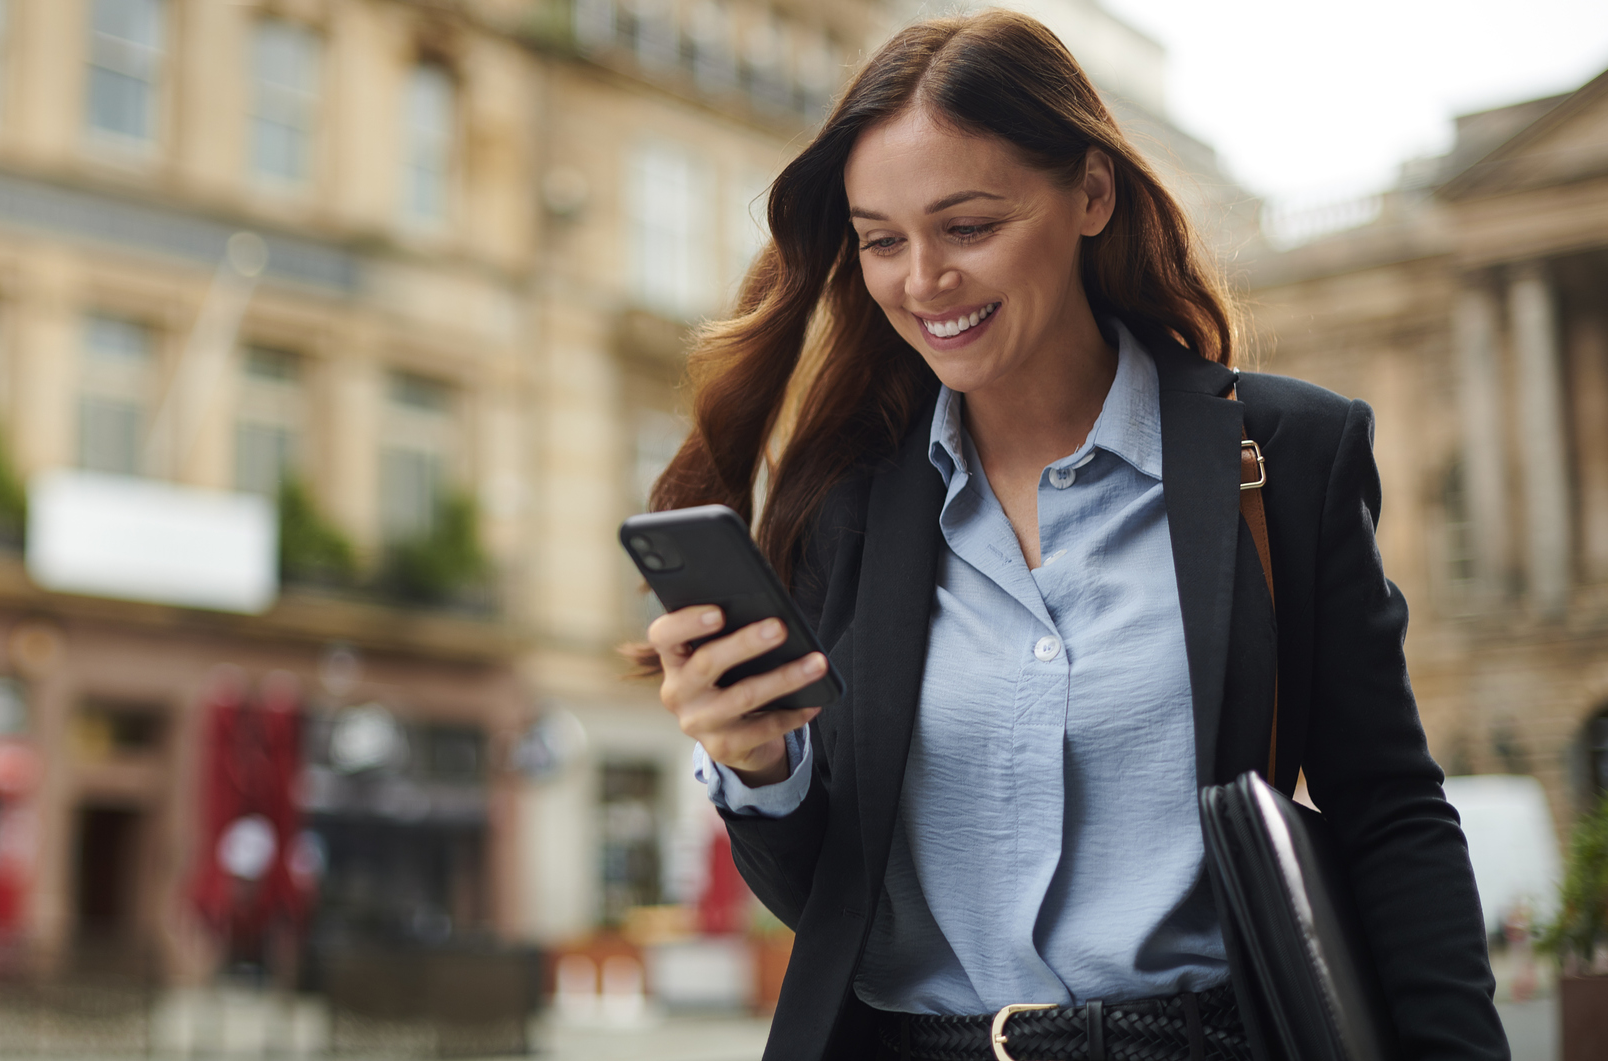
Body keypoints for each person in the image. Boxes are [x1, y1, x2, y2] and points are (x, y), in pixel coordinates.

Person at [638, 11, 1506, 1061]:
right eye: (880, 241)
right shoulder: (845, 497)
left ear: (1090, 194)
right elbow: (826, 900)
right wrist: (754, 761)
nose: (921, 281)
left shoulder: (1285, 453)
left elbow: (1389, 811)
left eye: (966, 226)